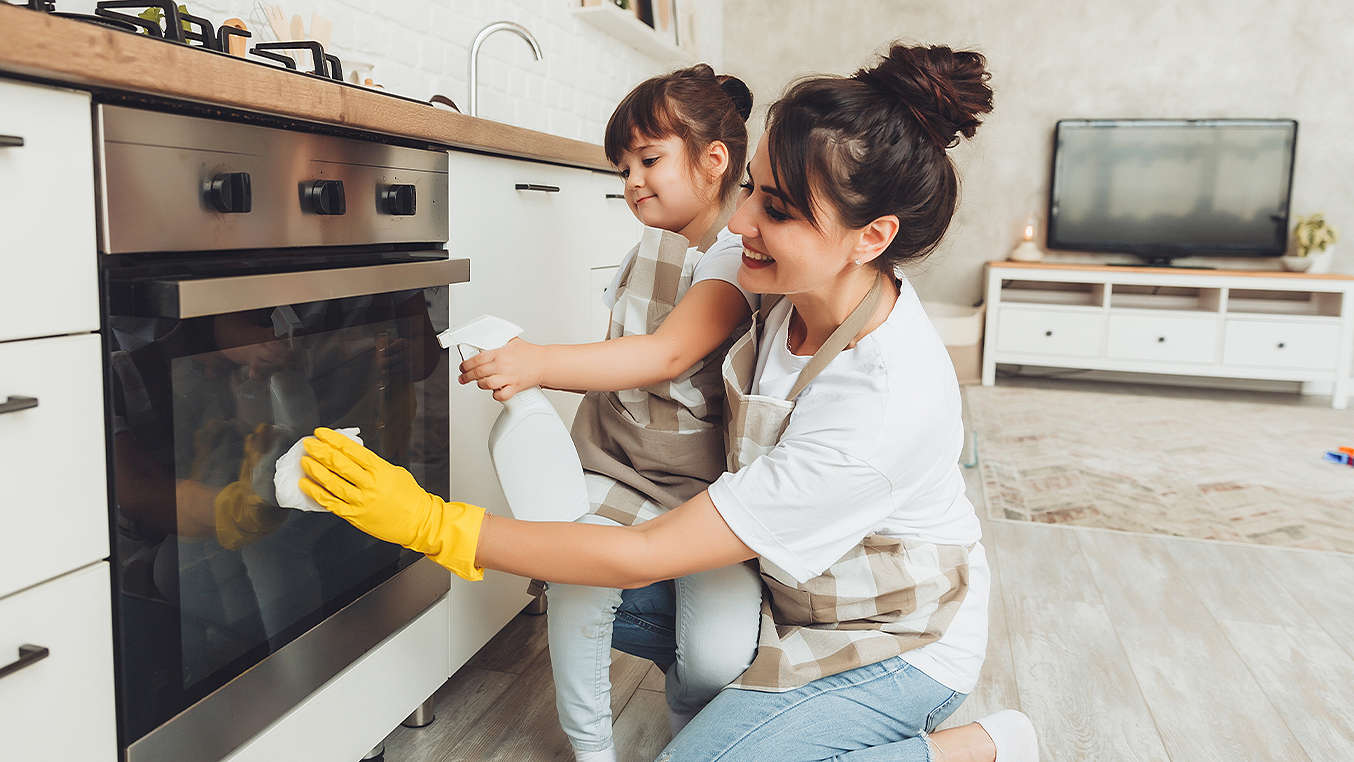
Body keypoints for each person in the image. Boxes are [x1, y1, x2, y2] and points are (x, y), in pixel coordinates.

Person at [299, 42, 1039, 762]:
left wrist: (433, 524)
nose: (741, 222)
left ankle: (974, 748)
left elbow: (643, 551)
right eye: (751, 187)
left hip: (892, 639)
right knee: (563, 570)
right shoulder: (770, 278)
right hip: (791, 591)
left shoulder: (881, 403)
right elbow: (670, 363)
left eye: (776, 209)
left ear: (870, 238)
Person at [456, 64, 764, 761]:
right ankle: (592, 749)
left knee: (716, 658)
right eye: (623, 165)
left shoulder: (735, 259)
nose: (631, 181)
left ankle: (694, 733)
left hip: (707, 494)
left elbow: (662, 356)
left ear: (715, 162)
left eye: (649, 160)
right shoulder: (658, 239)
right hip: (619, 462)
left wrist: (535, 362)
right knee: (575, 586)